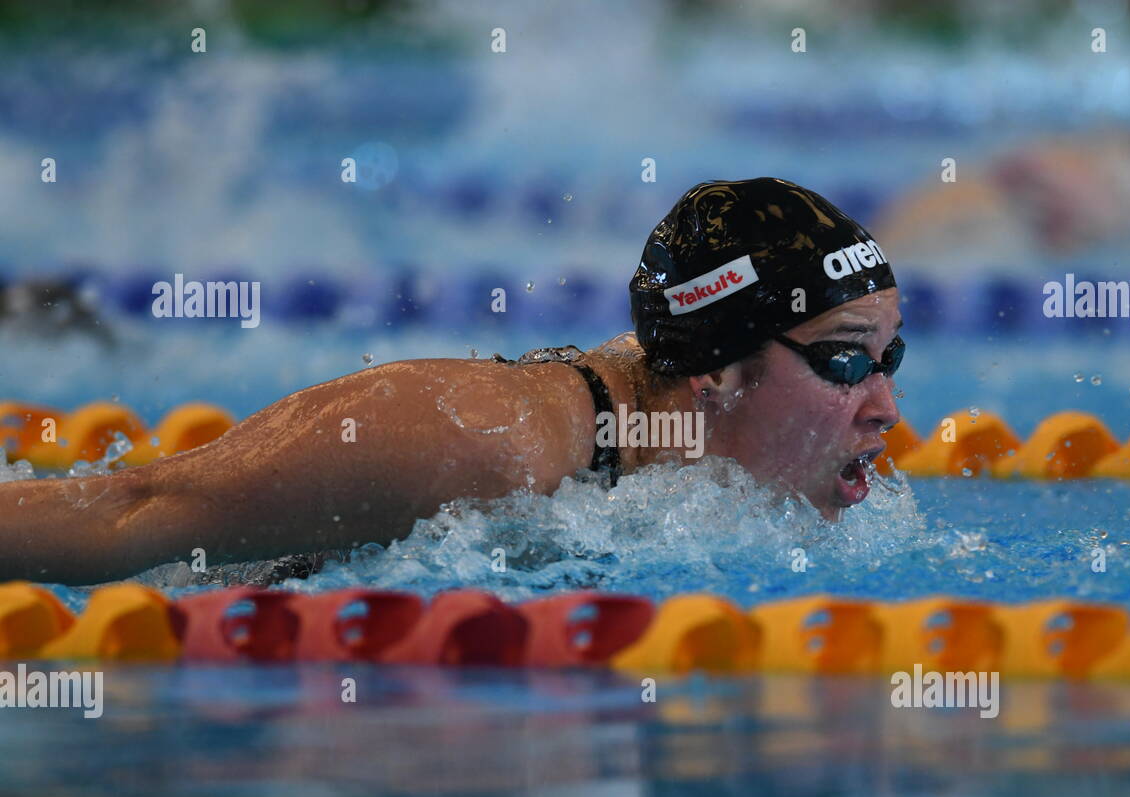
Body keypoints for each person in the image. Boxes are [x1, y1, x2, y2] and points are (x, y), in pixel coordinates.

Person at [0, 178, 904, 586]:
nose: (885, 407)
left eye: (890, 357)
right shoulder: (478, 442)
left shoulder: (682, 440)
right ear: (718, 372)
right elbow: (125, 514)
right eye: (845, 361)